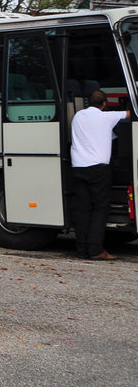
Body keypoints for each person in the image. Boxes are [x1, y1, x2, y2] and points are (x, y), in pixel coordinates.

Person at [69, 90, 130, 260]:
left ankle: (81, 249)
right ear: (104, 104)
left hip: (78, 168)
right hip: (98, 170)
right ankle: (95, 249)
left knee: (83, 210)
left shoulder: (78, 116)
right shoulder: (107, 117)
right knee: (100, 209)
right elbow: (130, 114)